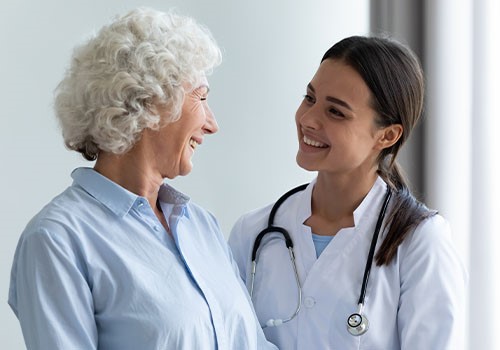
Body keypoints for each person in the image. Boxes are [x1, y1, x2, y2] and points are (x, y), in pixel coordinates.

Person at [8, 8, 276, 350]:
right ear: (150, 101)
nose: (212, 123)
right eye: (202, 98)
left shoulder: (200, 225)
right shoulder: (57, 239)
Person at [228, 35, 467, 349]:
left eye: (336, 112)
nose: (308, 119)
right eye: (309, 98)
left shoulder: (421, 243)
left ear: (387, 135)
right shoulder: (254, 232)